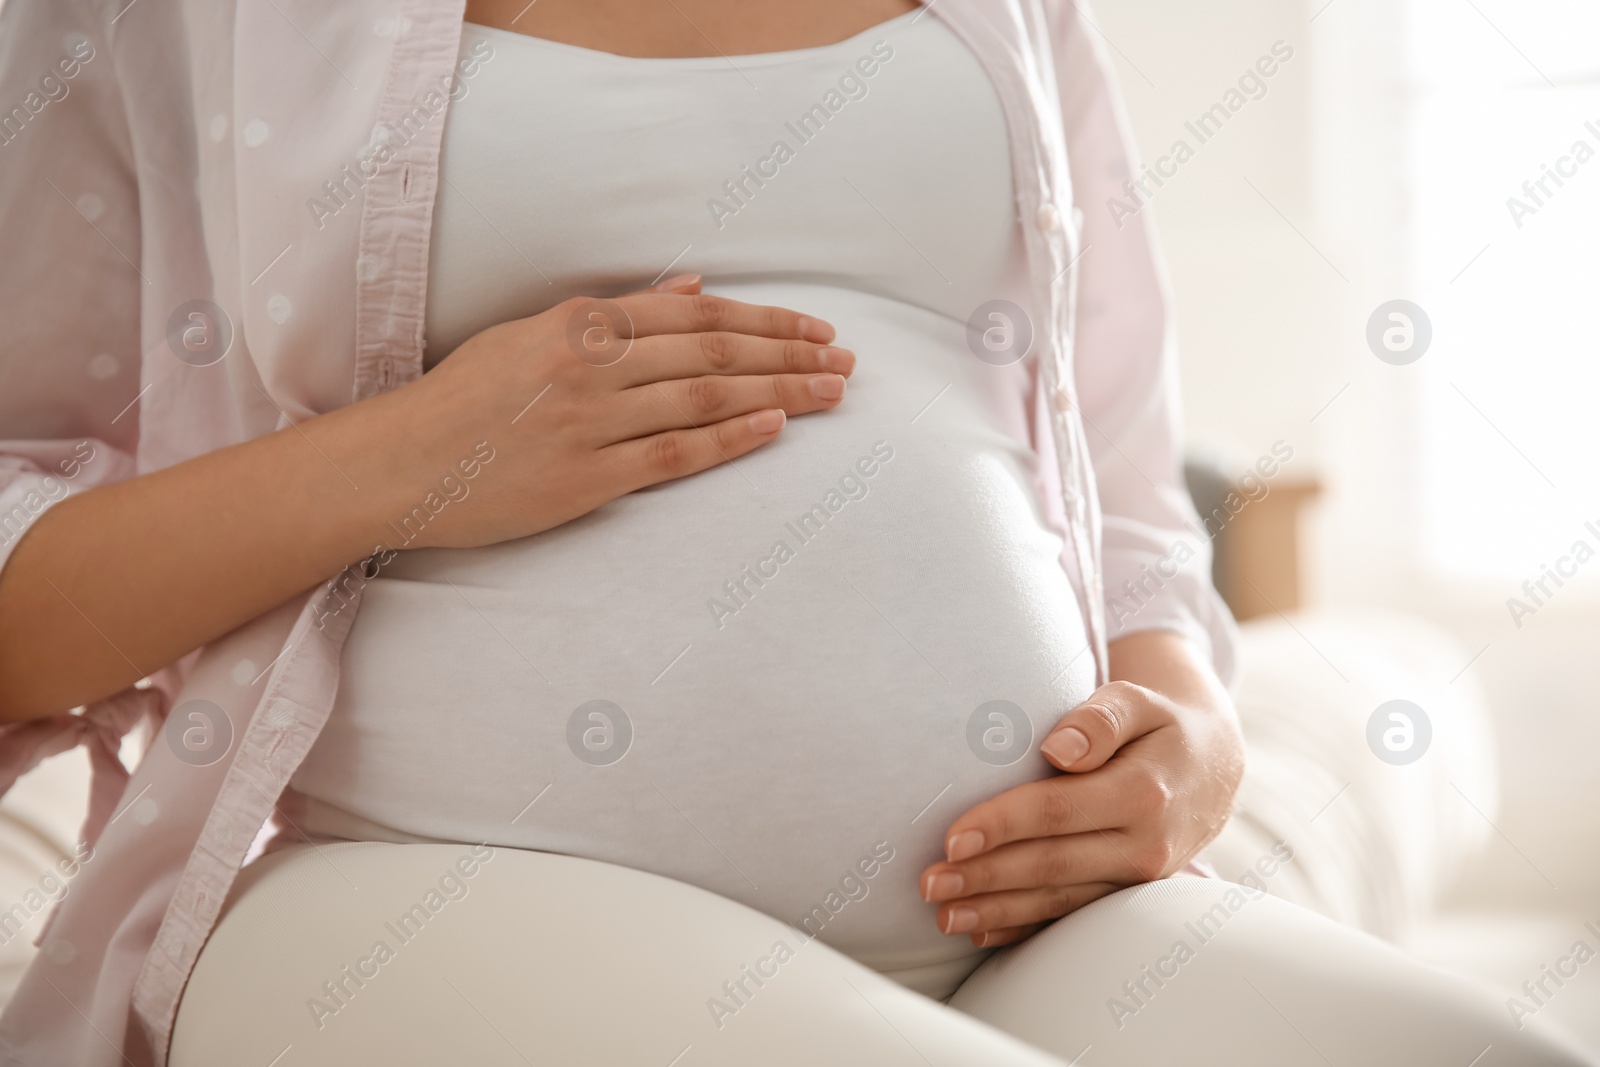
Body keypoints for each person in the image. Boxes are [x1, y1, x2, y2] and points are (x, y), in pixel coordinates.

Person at [0, 1, 1587, 1064]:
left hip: (1014, 919)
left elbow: (1114, 471)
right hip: (412, 893)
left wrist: (1193, 730)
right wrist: (407, 458)